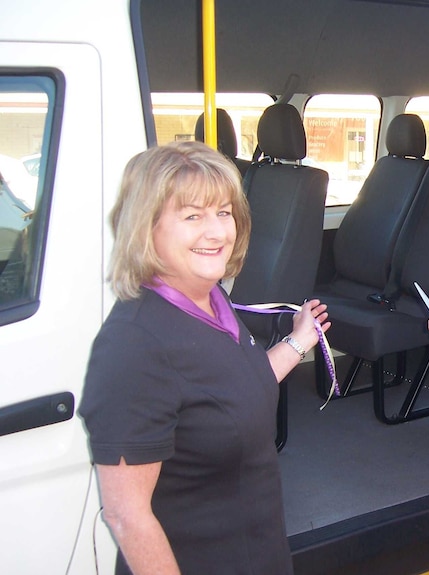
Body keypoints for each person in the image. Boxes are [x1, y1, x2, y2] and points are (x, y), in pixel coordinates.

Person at [79, 140, 328, 575]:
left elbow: (237, 390)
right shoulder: (134, 344)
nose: (217, 232)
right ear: (146, 227)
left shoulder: (212, 300)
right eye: (192, 216)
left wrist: (299, 342)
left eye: (224, 212)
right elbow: (127, 514)